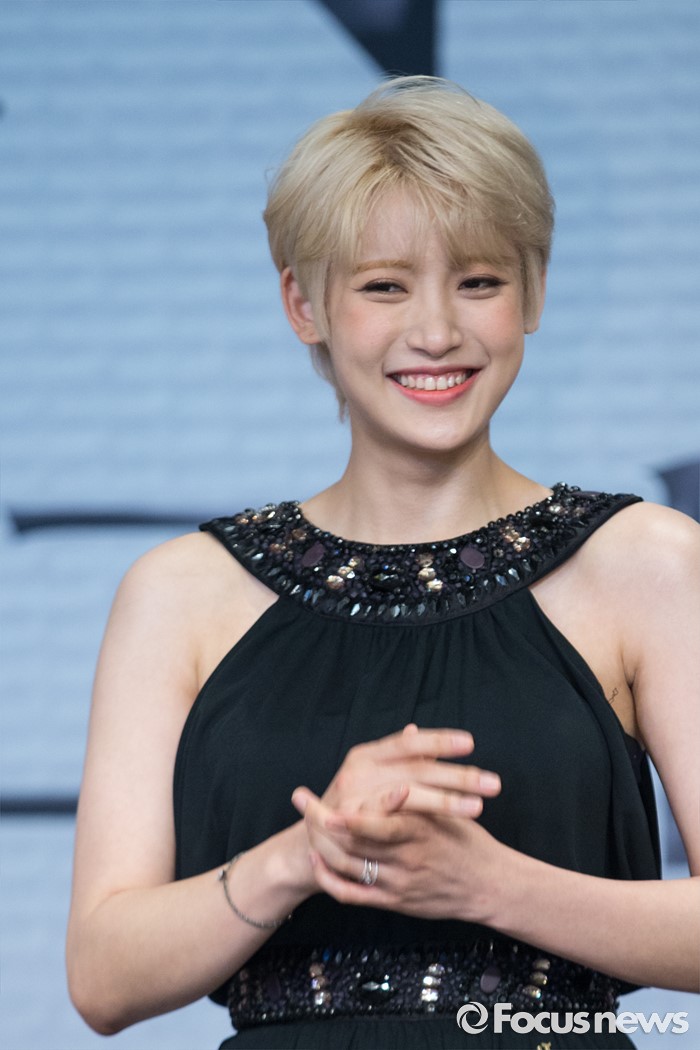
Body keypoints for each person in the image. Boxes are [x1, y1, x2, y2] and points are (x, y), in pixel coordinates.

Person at [66, 76, 700, 1050]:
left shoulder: (649, 565)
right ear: (303, 303)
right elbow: (103, 977)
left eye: (479, 282)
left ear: (533, 292)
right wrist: (306, 854)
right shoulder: (180, 593)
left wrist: (490, 886)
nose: (436, 331)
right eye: (383, 286)